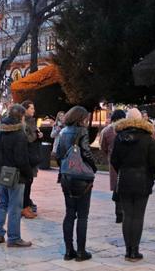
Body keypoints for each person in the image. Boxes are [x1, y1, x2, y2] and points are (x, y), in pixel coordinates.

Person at [111, 108, 155, 262]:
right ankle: (135, 251)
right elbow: (154, 163)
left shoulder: (119, 137)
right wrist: (151, 178)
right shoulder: (148, 138)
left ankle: (127, 250)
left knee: (127, 215)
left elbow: (114, 160)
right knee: (138, 216)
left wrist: (123, 170)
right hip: (142, 179)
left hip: (125, 178)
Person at [55, 106, 97, 262]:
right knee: (83, 216)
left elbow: (58, 154)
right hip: (81, 177)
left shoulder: (63, 131)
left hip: (66, 176)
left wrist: (65, 167)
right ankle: (81, 251)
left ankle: (68, 251)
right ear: (81, 118)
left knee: (69, 213)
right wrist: (93, 167)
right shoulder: (82, 131)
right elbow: (86, 152)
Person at [0, 104, 33, 247]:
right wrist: (28, 174)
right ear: (21, 117)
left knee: (2, 204)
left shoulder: (0, 131)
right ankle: (14, 237)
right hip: (16, 175)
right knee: (15, 207)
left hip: (2, 173)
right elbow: (21, 159)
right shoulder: (19, 134)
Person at [99, 109, 127, 223]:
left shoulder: (106, 131)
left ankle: (118, 213)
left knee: (116, 186)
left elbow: (103, 147)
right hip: (126, 161)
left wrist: (109, 155)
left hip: (113, 161)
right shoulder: (127, 130)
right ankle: (125, 212)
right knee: (125, 187)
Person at [21, 100, 42, 219]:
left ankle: (27, 204)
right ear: (25, 109)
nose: (33, 111)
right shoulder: (24, 122)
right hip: (27, 155)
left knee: (29, 182)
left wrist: (39, 135)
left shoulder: (32, 121)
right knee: (27, 182)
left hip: (33, 154)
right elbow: (27, 138)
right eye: (31, 108)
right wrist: (35, 136)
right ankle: (25, 206)